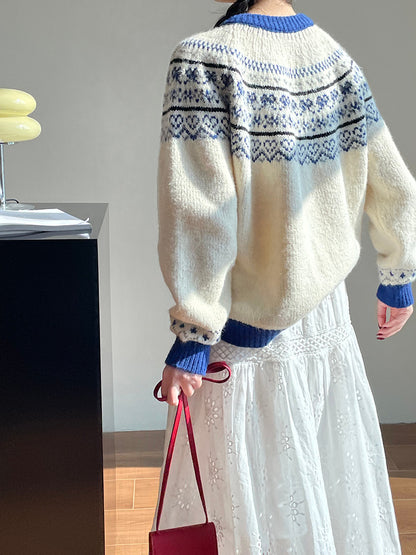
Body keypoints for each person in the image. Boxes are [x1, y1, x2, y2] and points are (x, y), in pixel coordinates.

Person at [151, 0, 416, 552]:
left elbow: (201, 213)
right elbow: (393, 180)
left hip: (244, 331)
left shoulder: (203, 60)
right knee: (321, 488)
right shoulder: (333, 59)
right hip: (325, 323)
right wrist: (398, 275)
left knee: (250, 500)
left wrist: (193, 334)